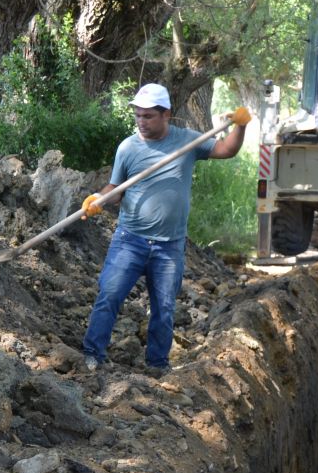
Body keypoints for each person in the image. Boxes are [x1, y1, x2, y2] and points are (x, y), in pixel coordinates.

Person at [80, 83, 249, 373]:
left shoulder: (188, 141)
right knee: (109, 295)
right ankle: (92, 354)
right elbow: (116, 189)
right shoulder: (128, 148)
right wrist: (98, 198)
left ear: (166, 114)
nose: (141, 122)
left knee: (164, 307)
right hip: (130, 240)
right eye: (138, 115)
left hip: (169, 245)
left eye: (148, 116)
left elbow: (226, 149)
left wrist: (241, 126)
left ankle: (158, 364)